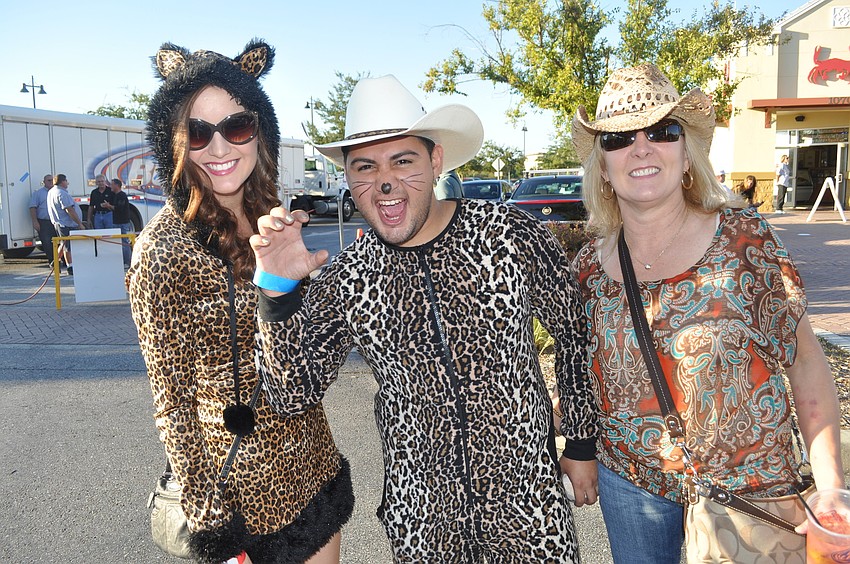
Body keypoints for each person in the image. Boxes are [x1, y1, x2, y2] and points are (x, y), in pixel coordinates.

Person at [250, 75, 597, 563]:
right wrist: (278, 293)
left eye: (403, 160)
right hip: (423, 523)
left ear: (435, 161)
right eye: (366, 166)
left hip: (530, 507)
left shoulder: (507, 234)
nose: (385, 181)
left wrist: (581, 442)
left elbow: (573, 331)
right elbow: (291, 394)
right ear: (349, 176)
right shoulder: (348, 277)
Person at [570, 62, 844, 563]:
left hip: (750, 489)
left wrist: (829, 485)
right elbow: (582, 376)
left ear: (687, 154)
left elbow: (804, 361)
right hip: (630, 485)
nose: (641, 147)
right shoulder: (589, 267)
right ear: (603, 168)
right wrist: (580, 450)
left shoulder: (744, 241)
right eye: (617, 139)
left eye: (661, 131)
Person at [126, 40, 353, 564]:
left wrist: (312, 288)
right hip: (239, 495)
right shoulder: (161, 248)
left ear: (260, 133)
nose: (220, 147)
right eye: (198, 132)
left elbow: (302, 350)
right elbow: (171, 401)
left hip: (311, 462)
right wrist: (209, 516)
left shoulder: (274, 218)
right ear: (174, 142)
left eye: (237, 127)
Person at [47, 173, 85, 276]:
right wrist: (79, 223)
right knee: (68, 246)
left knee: (64, 243)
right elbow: (69, 210)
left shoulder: (51, 191)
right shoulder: (61, 193)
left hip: (59, 223)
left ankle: (55, 261)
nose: (67, 183)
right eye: (66, 181)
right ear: (63, 182)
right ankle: (70, 266)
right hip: (66, 224)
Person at [29, 173, 57, 265]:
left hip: (56, 221)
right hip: (44, 222)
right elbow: (32, 207)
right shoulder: (38, 193)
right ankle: (52, 261)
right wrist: (35, 221)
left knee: (60, 242)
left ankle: (63, 261)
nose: (50, 182)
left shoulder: (57, 192)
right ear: (44, 182)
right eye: (48, 180)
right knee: (47, 242)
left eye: (52, 180)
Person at [109, 178, 133, 267]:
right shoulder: (114, 195)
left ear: (117, 185)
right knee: (118, 242)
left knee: (124, 242)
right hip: (116, 221)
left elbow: (119, 208)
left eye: (112, 184)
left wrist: (109, 206)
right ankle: (122, 261)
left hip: (122, 222)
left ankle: (128, 261)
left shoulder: (122, 195)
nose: (110, 186)